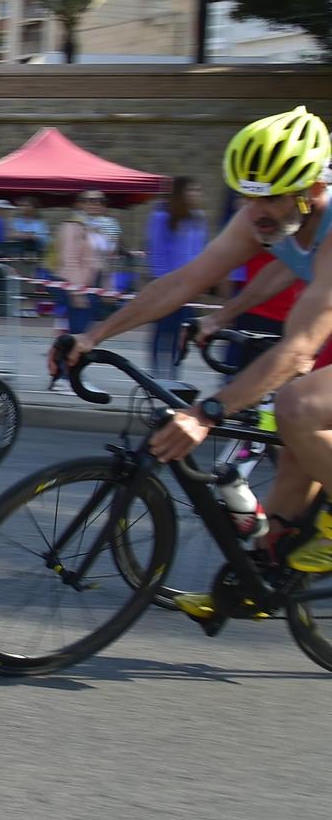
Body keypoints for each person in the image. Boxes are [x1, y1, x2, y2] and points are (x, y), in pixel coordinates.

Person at [55, 107, 332, 610]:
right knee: (296, 453)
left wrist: (207, 413)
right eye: (248, 196)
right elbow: (183, 282)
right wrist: (93, 335)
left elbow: (297, 351)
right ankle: (263, 584)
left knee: (296, 406)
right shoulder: (265, 217)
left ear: (312, 190)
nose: (254, 210)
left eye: (267, 197)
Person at [145, 176, 210, 373]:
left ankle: (174, 373)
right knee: (163, 331)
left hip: (189, 285)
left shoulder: (198, 218)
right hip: (167, 283)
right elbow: (156, 250)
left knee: (182, 333)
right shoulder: (163, 216)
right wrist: (162, 281)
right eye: (192, 190)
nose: (196, 195)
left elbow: (200, 251)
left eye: (198, 190)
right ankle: (157, 374)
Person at [54, 192, 112, 333]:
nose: (96, 204)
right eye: (91, 201)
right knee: (78, 331)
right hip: (77, 285)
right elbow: (69, 259)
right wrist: (77, 292)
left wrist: (107, 286)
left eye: (100, 201)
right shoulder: (72, 226)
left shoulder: (99, 227)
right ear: (80, 204)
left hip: (94, 284)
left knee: (86, 331)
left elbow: (103, 260)